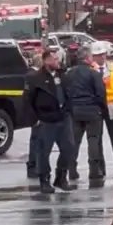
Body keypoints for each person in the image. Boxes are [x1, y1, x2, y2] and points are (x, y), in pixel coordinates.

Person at [26, 49, 76, 193]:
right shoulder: (36, 78)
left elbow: (69, 93)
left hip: (63, 117)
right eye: (54, 59)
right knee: (43, 152)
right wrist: (34, 119)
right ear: (46, 60)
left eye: (57, 59)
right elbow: (28, 100)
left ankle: (61, 176)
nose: (57, 61)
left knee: (69, 148)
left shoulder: (63, 76)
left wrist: (69, 110)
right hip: (46, 119)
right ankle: (44, 180)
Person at [64, 46, 109, 184]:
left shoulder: (69, 74)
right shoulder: (94, 74)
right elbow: (101, 94)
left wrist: (70, 108)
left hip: (76, 111)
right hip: (92, 111)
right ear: (87, 58)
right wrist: (102, 110)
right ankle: (94, 171)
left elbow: (65, 92)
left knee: (75, 141)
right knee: (93, 140)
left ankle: (72, 170)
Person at [93, 42, 113, 178]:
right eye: (98, 55)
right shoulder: (91, 69)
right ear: (93, 56)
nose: (101, 57)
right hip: (98, 107)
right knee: (98, 138)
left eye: (102, 54)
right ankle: (101, 168)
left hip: (112, 106)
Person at [25, 52, 44, 179]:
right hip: (37, 115)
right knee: (36, 141)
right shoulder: (34, 76)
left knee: (36, 140)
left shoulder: (30, 75)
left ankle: (35, 166)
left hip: (35, 114)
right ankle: (34, 166)